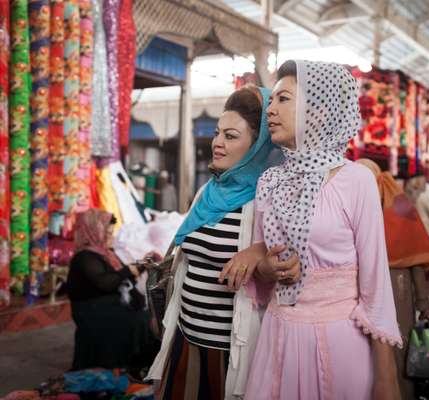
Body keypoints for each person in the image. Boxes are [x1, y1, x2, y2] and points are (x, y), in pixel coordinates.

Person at [232, 60, 402, 400]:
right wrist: (266, 266)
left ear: (320, 112)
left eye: (284, 99)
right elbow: (264, 262)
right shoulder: (271, 180)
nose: (271, 110)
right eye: (271, 101)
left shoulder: (356, 181)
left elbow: (376, 283)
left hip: (341, 341)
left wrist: (387, 378)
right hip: (278, 336)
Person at [147, 86, 282, 400]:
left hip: (230, 349)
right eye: (217, 133)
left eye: (231, 136)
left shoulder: (270, 200)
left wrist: (260, 251)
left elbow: (293, 257)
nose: (218, 143)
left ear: (257, 145)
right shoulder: (208, 192)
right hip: (185, 339)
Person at [357, 158, 429, 399]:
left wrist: (423, 300)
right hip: (363, 286)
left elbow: (412, 253)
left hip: (396, 286)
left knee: (396, 346)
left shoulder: (399, 205)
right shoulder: (354, 203)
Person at [67, 209, 157, 371]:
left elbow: (121, 277)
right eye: (107, 234)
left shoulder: (107, 254)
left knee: (148, 316)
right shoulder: (84, 258)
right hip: (90, 310)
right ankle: (126, 365)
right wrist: (130, 270)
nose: (111, 237)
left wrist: (143, 265)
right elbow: (106, 283)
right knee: (138, 320)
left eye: (111, 233)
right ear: (94, 233)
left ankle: (140, 365)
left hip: (107, 304)